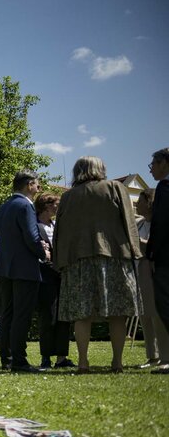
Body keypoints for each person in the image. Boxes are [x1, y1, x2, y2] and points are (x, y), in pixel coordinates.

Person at [54, 156, 141, 373]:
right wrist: (135, 251)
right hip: (114, 256)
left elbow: (59, 232)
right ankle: (117, 362)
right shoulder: (115, 188)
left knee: (81, 314)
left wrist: (59, 261)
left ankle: (83, 362)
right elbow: (129, 222)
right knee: (117, 311)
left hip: (77, 260)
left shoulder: (68, 197)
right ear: (100, 169)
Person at [0, 170, 48, 373]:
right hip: (24, 268)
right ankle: (19, 360)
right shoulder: (25, 205)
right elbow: (32, 236)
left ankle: (6, 359)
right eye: (37, 185)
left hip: (4, 267)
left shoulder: (3, 207)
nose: (39, 189)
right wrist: (43, 253)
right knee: (21, 315)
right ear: (28, 185)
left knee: (7, 314)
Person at [34, 194, 74, 369]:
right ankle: (45, 357)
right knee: (48, 317)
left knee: (63, 317)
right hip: (44, 276)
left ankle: (61, 357)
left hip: (61, 274)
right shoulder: (35, 226)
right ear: (46, 206)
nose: (59, 208)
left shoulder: (57, 225)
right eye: (56, 204)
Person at [135, 189, 169, 371]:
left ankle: (165, 356)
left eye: (140, 201)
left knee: (157, 314)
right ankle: (152, 355)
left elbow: (156, 245)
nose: (137, 204)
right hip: (140, 270)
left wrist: (138, 241)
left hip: (154, 269)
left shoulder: (159, 223)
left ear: (149, 202)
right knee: (145, 315)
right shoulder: (139, 223)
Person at [146, 148, 169, 374]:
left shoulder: (164, 188)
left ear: (164, 163)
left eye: (153, 163)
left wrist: (151, 253)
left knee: (165, 303)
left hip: (165, 257)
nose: (151, 168)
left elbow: (161, 224)